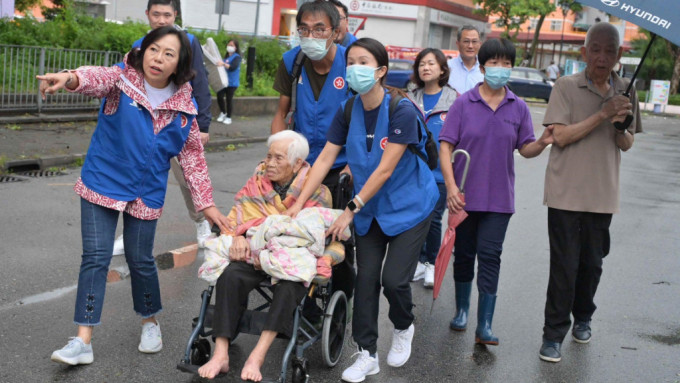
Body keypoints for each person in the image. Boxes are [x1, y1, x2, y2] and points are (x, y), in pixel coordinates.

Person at [40, 26, 228, 366]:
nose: (158, 58)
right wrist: (68, 77)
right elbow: (94, 77)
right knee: (95, 258)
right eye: (154, 49)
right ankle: (83, 340)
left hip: (147, 191)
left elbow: (193, 160)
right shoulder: (121, 80)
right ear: (143, 51)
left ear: (179, 64)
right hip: (103, 181)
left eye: (169, 54)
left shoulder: (184, 107)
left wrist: (207, 205)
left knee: (141, 260)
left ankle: (150, 320)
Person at [286, 38, 438, 383]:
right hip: (372, 210)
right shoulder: (349, 110)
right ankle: (367, 353)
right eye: (350, 61)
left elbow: (385, 169)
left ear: (381, 71)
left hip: (409, 206)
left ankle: (403, 325)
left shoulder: (401, 109)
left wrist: (350, 210)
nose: (354, 67)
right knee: (366, 280)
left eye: (363, 61)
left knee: (395, 280)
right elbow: (325, 157)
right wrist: (297, 203)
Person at [438, 38, 553, 344]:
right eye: (494, 62)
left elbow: (525, 148)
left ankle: (484, 325)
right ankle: (462, 311)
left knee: (490, 256)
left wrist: (542, 142)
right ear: (483, 65)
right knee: (463, 255)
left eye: (506, 63)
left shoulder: (518, 106)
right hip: (463, 196)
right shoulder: (464, 103)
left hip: (500, 199)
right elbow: (446, 146)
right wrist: (450, 187)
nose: (500, 69)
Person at [196, 131, 336, 381]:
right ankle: (220, 353)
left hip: (289, 260)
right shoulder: (256, 182)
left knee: (290, 283)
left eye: (278, 158)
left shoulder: (318, 191)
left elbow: (316, 235)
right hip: (255, 253)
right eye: (268, 156)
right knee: (230, 274)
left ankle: (257, 356)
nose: (269, 163)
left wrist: (279, 246)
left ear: (297, 164)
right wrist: (238, 236)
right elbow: (236, 218)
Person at [538, 22, 641, 363]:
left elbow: (627, 144)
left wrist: (619, 125)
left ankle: (583, 317)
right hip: (565, 191)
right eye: (594, 49)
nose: (601, 56)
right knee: (564, 266)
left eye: (609, 50)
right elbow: (561, 137)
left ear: (619, 54)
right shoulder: (566, 86)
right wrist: (602, 113)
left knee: (592, 265)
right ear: (584, 52)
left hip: (602, 194)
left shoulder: (627, 89)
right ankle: (553, 334)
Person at [113, 0, 214, 256]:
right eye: (156, 14)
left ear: (175, 15)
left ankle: (201, 222)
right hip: (144, 122)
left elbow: (200, 82)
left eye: (166, 15)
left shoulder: (188, 41)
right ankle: (129, 233)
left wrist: (202, 123)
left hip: (178, 123)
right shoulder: (140, 44)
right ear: (147, 14)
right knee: (136, 175)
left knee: (186, 178)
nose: (160, 20)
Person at [271, 0, 355, 306]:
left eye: (319, 28)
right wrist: (278, 154)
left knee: (338, 239)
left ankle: (342, 300)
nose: (311, 35)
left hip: (344, 166)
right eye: (304, 28)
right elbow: (281, 113)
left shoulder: (352, 64)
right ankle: (299, 303)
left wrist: (355, 168)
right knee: (298, 232)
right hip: (303, 166)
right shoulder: (293, 61)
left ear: (335, 31)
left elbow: (367, 122)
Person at [407, 48, 457, 288]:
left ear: (442, 69)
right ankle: (417, 260)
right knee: (416, 217)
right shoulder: (409, 97)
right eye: (422, 64)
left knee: (434, 217)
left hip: (440, 172)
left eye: (431, 64)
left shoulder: (454, 100)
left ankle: (431, 264)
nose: (425, 68)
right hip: (413, 171)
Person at [447, 25, 485, 95]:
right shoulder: (446, 67)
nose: (470, 46)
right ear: (458, 44)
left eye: (474, 41)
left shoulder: (486, 69)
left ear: (479, 44)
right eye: (466, 41)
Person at [215, 39, 241, 125]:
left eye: (232, 45)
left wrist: (223, 64)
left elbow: (233, 67)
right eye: (229, 45)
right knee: (219, 96)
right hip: (223, 82)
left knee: (229, 99)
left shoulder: (237, 57)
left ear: (236, 47)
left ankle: (229, 117)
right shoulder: (226, 57)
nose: (230, 47)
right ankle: (223, 112)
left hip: (232, 83)